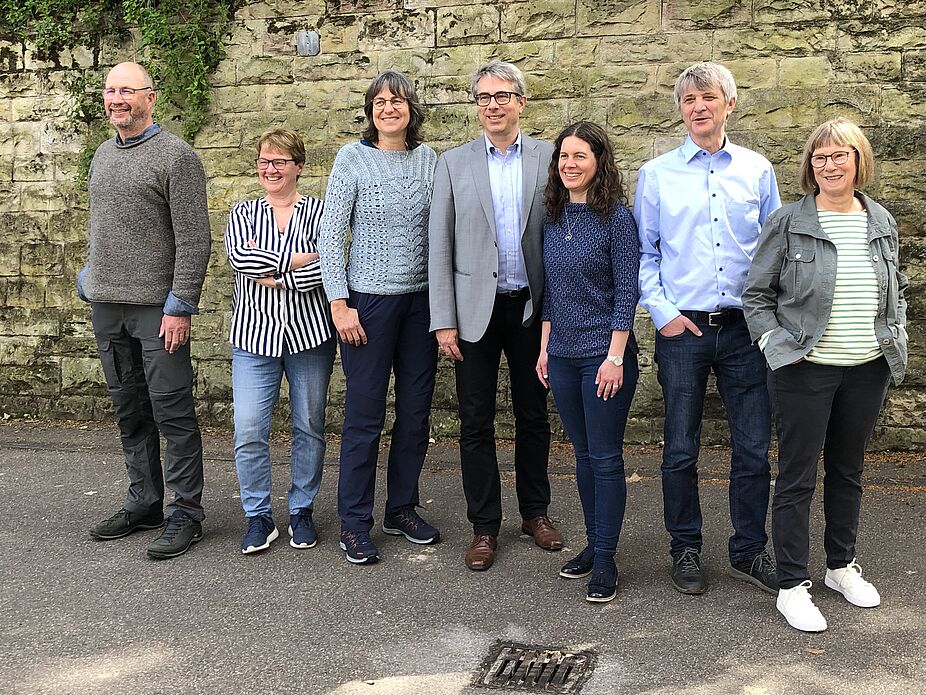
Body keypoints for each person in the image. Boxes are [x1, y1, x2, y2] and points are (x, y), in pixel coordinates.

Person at [743, 117, 908, 632]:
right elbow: (756, 294)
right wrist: (778, 347)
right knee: (795, 477)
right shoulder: (790, 221)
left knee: (848, 470)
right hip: (804, 369)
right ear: (809, 167)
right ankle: (792, 584)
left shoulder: (879, 218)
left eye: (840, 155)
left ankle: (840, 566)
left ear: (859, 162)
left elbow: (894, 285)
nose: (830, 164)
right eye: (820, 157)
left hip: (867, 367)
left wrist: (895, 332)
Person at [633, 61, 781, 595]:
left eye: (709, 97)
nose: (698, 107)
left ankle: (747, 551)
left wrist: (770, 320)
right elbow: (644, 254)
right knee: (680, 447)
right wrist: (662, 312)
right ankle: (685, 547)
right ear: (681, 110)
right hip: (683, 331)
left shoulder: (758, 171)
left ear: (729, 105)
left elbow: (774, 252)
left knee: (752, 445)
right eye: (689, 99)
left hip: (745, 330)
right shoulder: (656, 175)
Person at [429, 59, 562, 572]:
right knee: (475, 421)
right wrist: (444, 319)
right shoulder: (453, 163)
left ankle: (535, 513)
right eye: (483, 97)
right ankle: (484, 526)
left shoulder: (550, 158)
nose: (493, 105)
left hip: (532, 309)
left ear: (521, 102)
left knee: (534, 416)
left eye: (502, 95)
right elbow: (438, 245)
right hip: (472, 314)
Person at [80, 62, 211, 560]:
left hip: (158, 309)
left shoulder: (176, 157)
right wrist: (88, 277)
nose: (117, 98)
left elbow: (195, 239)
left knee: (171, 410)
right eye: (111, 90)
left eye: (127, 91)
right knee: (129, 410)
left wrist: (180, 306)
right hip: (107, 307)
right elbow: (103, 226)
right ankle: (145, 501)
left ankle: (185, 514)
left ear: (150, 98)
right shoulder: (101, 154)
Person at [319, 71, 439, 565]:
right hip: (366, 304)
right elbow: (330, 234)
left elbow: (442, 231)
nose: (389, 108)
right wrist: (339, 303)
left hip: (421, 304)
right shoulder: (352, 158)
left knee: (414, 412)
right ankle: (354, 522)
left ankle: (402, 508)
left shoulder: (429, 160)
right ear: (370, 110)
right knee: (365, 417)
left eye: (398, 100)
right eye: (380, 101)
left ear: (412, 108)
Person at [535, 122, 640, 603]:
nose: (569, 164)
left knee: (605, 456)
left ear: (600, 161)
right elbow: (552, 294)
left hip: (604, 356)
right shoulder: (554, 216)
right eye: (563, 156)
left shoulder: (617, 218)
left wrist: (615, 355)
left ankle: (606, 558)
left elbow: (626, 292)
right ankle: (594, 545)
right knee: (580, 455)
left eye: (579, 155)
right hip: (562, 356)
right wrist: (543, 348)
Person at [224, 128, 336, 555]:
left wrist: (277, 270)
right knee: (249, 429)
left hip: (310, 337)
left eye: (280, 162)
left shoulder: (321, 212)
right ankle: (257, 517)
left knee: (309, 426)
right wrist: (297, 260)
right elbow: (242, 261)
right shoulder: (242, 213)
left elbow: (325, 271)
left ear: (299, 167)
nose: (270, 169)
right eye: (264, 161)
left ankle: (301, 509)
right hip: (253, 337)